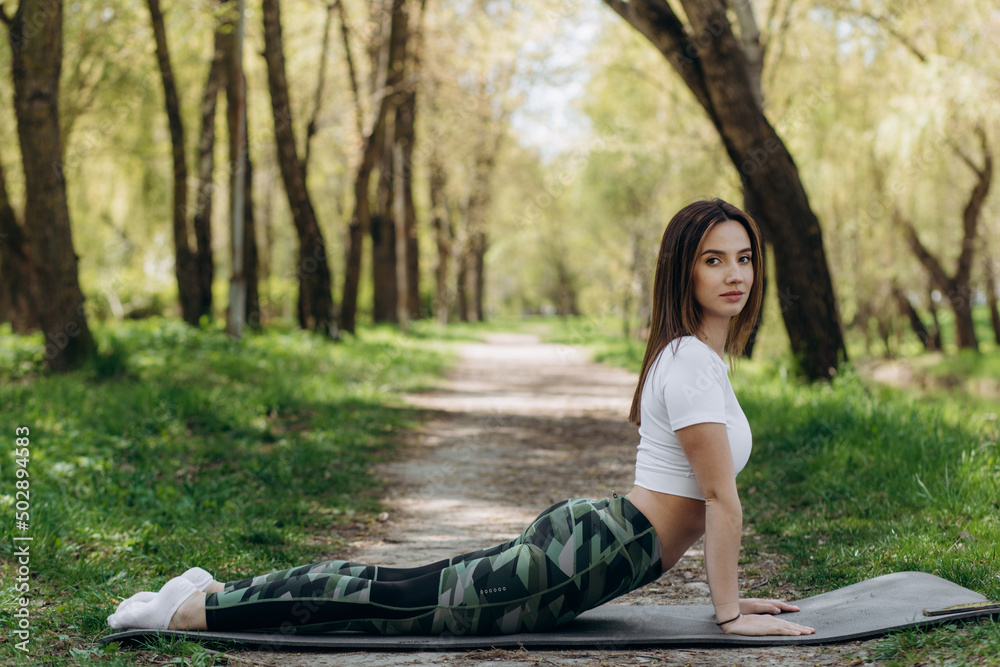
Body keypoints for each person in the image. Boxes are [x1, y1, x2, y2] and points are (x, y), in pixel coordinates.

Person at [107, 198, 815, 637]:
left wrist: (731, 595)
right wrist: (728, 618)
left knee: (396, 589)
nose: (735, 274)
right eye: (714, 259)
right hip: (595, 552)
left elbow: (699, 500)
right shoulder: (691, 360)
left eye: (745, 258)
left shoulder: (696, 358)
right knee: (392, 602)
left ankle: (207, 593)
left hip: (598, 540)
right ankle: (193, 609)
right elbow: (719, 500)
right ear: (683, 270)